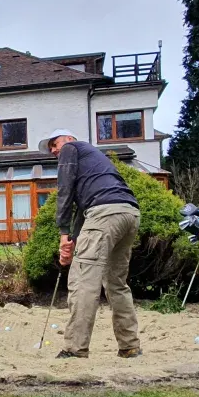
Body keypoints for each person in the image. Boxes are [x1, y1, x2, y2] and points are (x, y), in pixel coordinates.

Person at [37, 129, 143, 359]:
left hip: (104, 214)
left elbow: (64, 191)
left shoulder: (70, 149)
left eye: (54, 144)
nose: (54, 150)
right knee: (116, 283)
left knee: (83, 280)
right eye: (52, 148)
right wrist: (72, 241)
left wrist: (62, 233)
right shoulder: (94, 160)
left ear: (69, 140)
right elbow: (83, 211)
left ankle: (75, 349)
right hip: (129, 213)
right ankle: (130, 345)